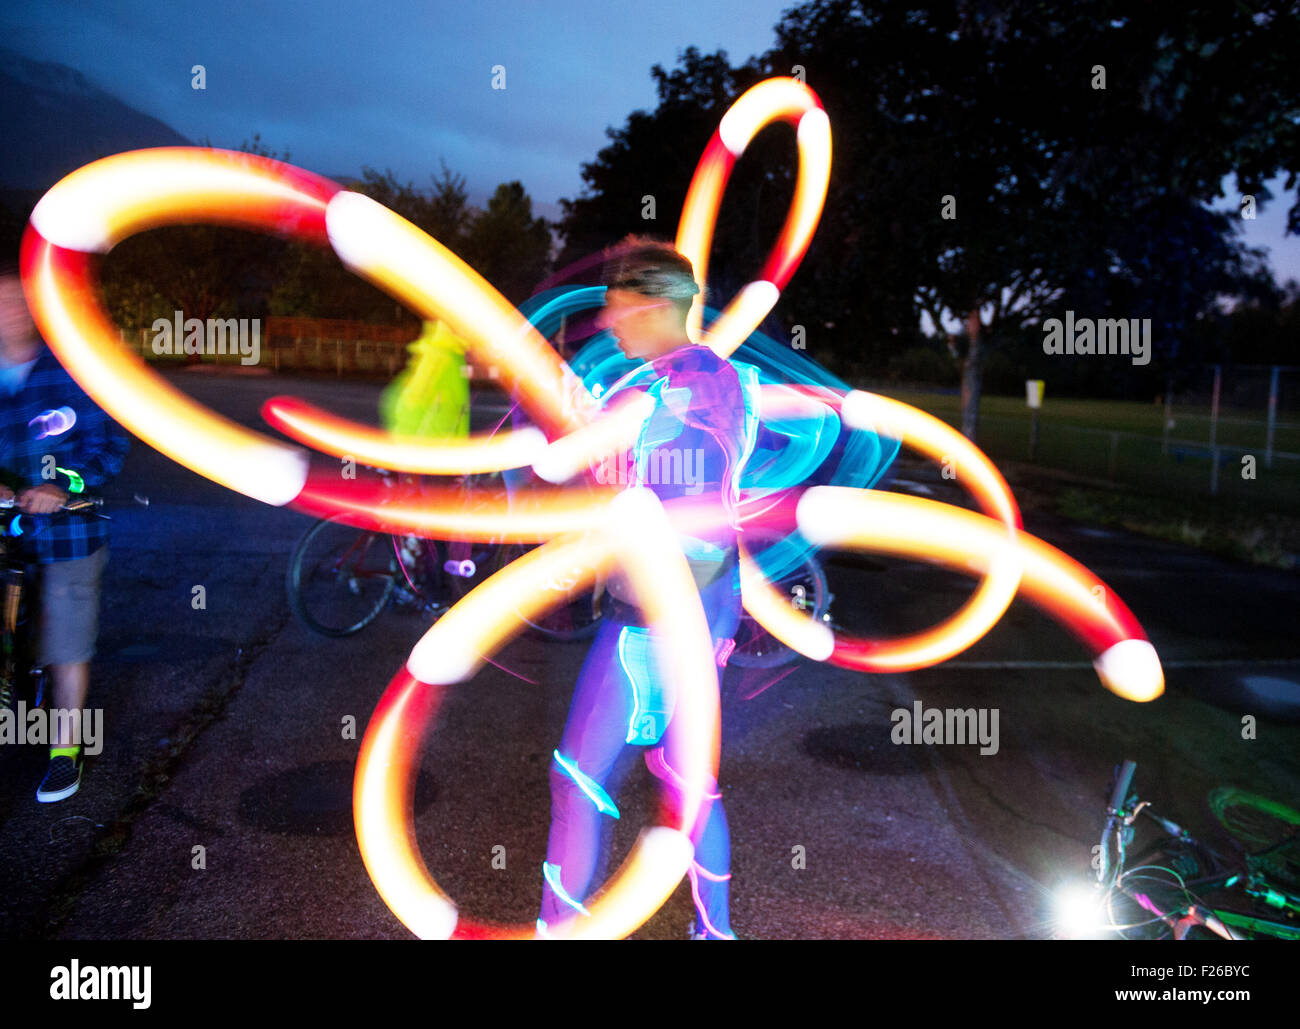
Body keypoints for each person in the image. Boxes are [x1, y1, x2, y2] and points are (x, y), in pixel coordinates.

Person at [537, 238, 754, 939]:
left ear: (655, 303)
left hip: (648, 616)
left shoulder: (648, 389)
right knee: (688, 780)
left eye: (617, 308)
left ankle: (556, 932)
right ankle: (714, 932)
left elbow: (556, 462)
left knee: (576, 779)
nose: (609, 323)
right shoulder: (737, 384)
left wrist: (573, 413)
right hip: (715, 606)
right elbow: (709, 490)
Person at [0, 262, 130, 802]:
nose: (7, 313)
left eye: (16, 301)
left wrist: (66, 486)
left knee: (66, 632)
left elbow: (111, 448)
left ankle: (64, 750)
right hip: (6, 522)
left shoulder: (73, 368)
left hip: (69, 528)